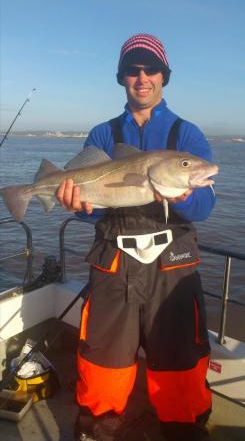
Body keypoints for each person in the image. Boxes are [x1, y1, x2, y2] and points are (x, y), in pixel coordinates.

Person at [57, 33, 215, 441]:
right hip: (113, 263)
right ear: (122, 78)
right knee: (103, 368)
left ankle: (183, 430)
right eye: (133, 69)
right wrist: (78, 204)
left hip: (174, 265)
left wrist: (182, 195)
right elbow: (96, 214)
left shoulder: (187, 135)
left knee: (181, 369)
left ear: (164, 76)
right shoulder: (103, 134)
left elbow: (205, 206)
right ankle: (98, 429)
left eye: (151, 69)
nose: (142, 77)